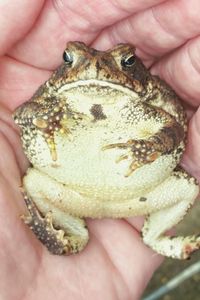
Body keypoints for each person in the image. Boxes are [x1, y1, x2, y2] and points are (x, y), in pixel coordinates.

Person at [0, 1, 199, 299]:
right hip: (68, 192)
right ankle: (73, 235)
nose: (94, 69)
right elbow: (22, 115)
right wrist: (46, 118)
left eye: (127, 62)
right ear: (64, 64)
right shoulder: (55, 99)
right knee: (33, 184)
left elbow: (171, 131)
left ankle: (155, 235)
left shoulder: (144, 103)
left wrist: (147, 149)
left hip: (141, 194)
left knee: (184, 188)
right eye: (71, 59)